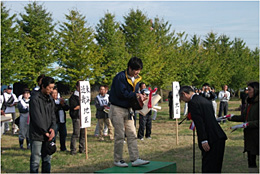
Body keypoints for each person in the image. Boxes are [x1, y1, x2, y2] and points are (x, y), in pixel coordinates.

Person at [109, 57, 150, 167]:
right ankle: (118, 160)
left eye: (139, 70)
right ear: (129, 68)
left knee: (132, 134)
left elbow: (133, 94)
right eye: (136, 70)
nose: (137, 72)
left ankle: (135, 158)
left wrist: (141, 97)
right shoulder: (120, 77)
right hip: (117, 109)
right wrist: (136, 95)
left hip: (128, 110)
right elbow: (121, 93)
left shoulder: (136, 80)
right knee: (120, 135)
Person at [179, 86, 227, 173]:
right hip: (218, 135)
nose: (182, 100)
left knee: (208, 167)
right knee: (216, 166)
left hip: (210, 137)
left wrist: (203, 139)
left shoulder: (193, 102)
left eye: (181, 98)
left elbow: (200, 123)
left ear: (184, 94)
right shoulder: (203, 99)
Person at [228, 82, 259, 173]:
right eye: (247, 89)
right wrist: (231, 117)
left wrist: (249, 124)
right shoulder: (249, 103)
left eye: (249, 90)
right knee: (251, 160)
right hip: (250, 137)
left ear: (256, 90)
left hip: (258, 135)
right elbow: (244, 117)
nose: (247, 92)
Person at [29, 76, 56, 173]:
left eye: (53, 88)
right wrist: (44, 131)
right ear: (43, 86)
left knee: (47, 159)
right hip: (37, 134)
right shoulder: (35, 98)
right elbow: (37, 117)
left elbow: (53, 115)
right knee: (35, 160)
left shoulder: (50, 99)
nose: (51, 90)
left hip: (49, 134)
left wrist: (52, 128)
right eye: (49, 88)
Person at [69, 80, 85, 155]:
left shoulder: (84, 95)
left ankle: (82, 148)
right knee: (76, 133)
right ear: (77, 87)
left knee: (83, 133)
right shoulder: (73, 97)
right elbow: (74, 107)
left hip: (83, 116)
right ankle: (73, 149)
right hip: (76, 117)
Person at [52, 87, 69, 152]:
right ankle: (53, 148)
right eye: (53, 93)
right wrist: (60, 105)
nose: (55, 95)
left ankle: (63, 147)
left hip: (62, 121)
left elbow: (67, 108)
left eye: (56, 93)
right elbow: (53, 109)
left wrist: (63, 104)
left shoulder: (60, 100)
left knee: (63, 134)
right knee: (54, 135)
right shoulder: (50, 101)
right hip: (55, 121)